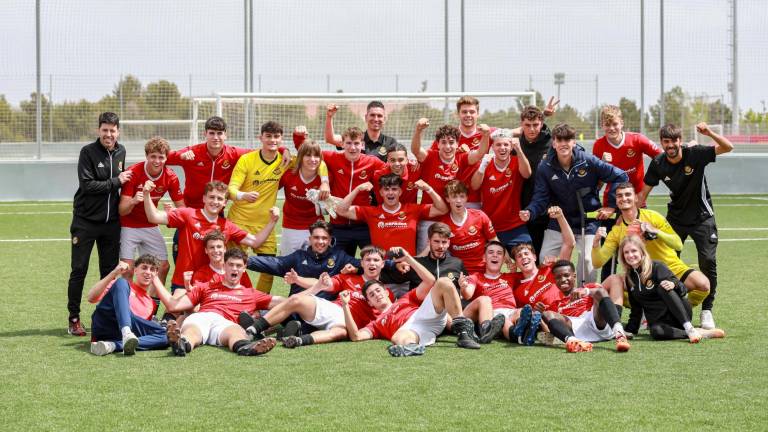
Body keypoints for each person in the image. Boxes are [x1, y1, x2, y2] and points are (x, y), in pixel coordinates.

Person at [242, 246, 434, 349]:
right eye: (367, 260)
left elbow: (383, 318)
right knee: (296, 300)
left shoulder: (386, 293)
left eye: (376, 260)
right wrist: (299, 279)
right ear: (362, 263)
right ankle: (254, 329)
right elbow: (324, 284)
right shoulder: (347, 277)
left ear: (383, 264)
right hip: (334, 310)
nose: (372, 263)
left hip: (349, 324)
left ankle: (299, 339)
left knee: (339, 334)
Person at [639, 122, 734, 330]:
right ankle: (659, 308)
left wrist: (708, 132)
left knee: (707, 261)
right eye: (666, 141)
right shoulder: (658, 164)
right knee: (663, 264)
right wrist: (634, 218)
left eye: (674, 140)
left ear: (680, 141)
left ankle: (707, 309)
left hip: (702, 218)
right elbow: (642, 195)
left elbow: (728, 147)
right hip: (675, 220)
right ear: (662, 143)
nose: (671, 145)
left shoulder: (695, 154)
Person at [520, 123, 628, 283]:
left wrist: (612, 205)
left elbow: (620, 176)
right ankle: (553, 297)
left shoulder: (588, 160)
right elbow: (540, 197)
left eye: (568, 139)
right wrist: (530, 211)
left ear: (574, 142)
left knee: (587, 260)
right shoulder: (545, 167)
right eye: (559, 140)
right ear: (554, 143)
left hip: (589, 221)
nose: (564, 143)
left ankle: (584, 299)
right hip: (559, 222)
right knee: (544, 259)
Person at [227, 121, 327, 293]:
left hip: (266, 224)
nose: (272, 140)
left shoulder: (286, 161)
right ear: (261, 138)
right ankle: (240, 299)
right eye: (268, 136)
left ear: (281, 139)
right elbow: (231, 190)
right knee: (236, 264)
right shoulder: (247, 160)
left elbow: (318, 162)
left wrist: (325, 183)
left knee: (269, 270)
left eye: (276, 137)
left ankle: (258, 303)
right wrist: (243, 195)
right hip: (239, 221)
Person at [143, 180, 279, 294]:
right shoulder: (187, 214)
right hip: (183, 281)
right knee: (179, 313)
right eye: (212, 197)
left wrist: (272, 221)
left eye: (220, 198)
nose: (215, 201)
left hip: (211, 284)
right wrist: (146, 194)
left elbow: (255, 242)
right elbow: (153, 217)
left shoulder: (227, 226)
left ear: (225, 203)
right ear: (204, 198)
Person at [592, 183, 710, 306]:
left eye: (628, 194)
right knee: (611, 288)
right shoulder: (617, 231)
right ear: (616, 201)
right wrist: (595, 244)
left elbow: (678, 245)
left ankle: (681, 310)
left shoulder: (653, 217)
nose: (624, 198)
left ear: (636, 198)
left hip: (670, 269)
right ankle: (647, 311)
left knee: (703, 284)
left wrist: (656, 231)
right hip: (640, 275)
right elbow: (598, 262)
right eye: (619, 196)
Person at [67, 112, 129, 336]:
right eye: (105, 130)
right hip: (85, 222)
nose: (109, 134)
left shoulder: (121, 151)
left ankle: (107, 317)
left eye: (113, 131)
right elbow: (87, 186)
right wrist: (116, 182)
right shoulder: (88, 152)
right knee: (79, 270)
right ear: (98, 131)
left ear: (118, 132)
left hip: (111, 225)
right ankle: (74, 318)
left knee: (109, 272)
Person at [155, 248, 284, 356]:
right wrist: (155, 278)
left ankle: (246, 347)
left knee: (235, 332)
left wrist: (301, 296)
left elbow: (282, 302)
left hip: (225, 323)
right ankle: (181, 344)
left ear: (244, 268)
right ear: (224, 266)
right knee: (192, 330)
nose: (234, 269)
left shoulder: (251, 293)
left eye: (239, 266)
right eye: (231, 265)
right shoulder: (205, 286)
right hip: (203, 316)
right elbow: (174, 305)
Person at [342, 275, 481, 357]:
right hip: (414, 331)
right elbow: (356, 336)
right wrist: (345, 305)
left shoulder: (405, 298)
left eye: (378, 290)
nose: (376, 295)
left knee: (443, 282)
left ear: (386, 291)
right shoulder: (376, 323)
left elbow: (429, 281)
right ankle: (412, 348)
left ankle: (464, 333)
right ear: (370, 302)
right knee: (397, 337)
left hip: (423, 316)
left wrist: (408, 258)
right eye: (371, 295)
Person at [619, 236, 725, 343]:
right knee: (656, 332)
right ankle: (699, 332)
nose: (630, 255)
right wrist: (629, 330)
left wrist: (673, 284)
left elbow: (682, 289)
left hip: (680, 313)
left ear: (642, 252)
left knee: (663, 286)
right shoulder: (629, 278)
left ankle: (689, 328)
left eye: (634, 251)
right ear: (623, 256)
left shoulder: (656, 267)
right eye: (626, 252)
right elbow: (636, 309)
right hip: (660, 322)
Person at [411, 120, 489, 252]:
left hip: (451, 220)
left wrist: (486, 135)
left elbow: (480, 153)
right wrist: (418, 130)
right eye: (443, 142)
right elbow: (416, 150)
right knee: (424, 260)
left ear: (457, 143)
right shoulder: (431, 156)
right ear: (438, 144)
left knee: (449, 261)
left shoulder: (462, 158)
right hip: (430, 220)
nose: (448, 146)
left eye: (451, 142)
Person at [118, 136, 184, 285]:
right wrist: (134, 201)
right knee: (127, 270)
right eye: (153, 156)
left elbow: (182, 208)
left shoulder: (171, 176)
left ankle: (152, 304)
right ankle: (128, 306)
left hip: (150, 224)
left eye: (161, 157)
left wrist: (173, 212)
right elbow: (122, 210)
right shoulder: (133, 172)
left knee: (163, 267)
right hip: (129, 226)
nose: (157, 161)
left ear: (167, 158)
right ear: (146, 156)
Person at [335, 173, 448, 255]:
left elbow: (442, 209)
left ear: (400, 192)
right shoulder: (371, 212)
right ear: (381, 192)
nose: (390, 193)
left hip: (409, 266)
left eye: (394, 189)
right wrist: (357, 189)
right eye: (386, 189)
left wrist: (429, 189)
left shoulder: (413, 209)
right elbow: (341, 210)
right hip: (382, 268)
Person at [245, 221, 360, 300]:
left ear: (330, 241)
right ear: (310, 239)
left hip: (324, 308)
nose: (320, 241)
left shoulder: (340, 257)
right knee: (287, 307)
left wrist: (356, 269)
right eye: (316, 237)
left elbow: (365, 265)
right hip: (297, 304)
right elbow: (274, 263)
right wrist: (246, 261)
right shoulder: (298, 257)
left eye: (324, 238)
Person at [320, 126, 386, 256]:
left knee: (375, 260)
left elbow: (392, 169)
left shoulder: (372, 162)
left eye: (356, 143)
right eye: (349, 143)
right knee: (335, 264)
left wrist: (411, 164)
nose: (353, 147)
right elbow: (308, 153)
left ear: (362, 145)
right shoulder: (332, 157)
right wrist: (324, 182)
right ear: (342, 144)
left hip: (363, 224)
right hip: (338, 225)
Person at [540, 260, 631, 353]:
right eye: (558, 277)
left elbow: (604, 298)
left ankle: (619, 333)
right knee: (547, 314)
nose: (563, 279)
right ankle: (573, 342)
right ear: (554, 280)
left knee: (600, 292)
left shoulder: (588, 288)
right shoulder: (555, 304)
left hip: (596, 321)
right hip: (576, 329)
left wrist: (587, 291)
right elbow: (548, 331)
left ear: (574, 276)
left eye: (566, 275)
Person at [87, 256, 168, 356]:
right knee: (122, 282)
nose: (148, 272)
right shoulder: (120, 285)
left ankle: (112, 346)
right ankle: (126, 332)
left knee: (166, 335)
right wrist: (114, 273)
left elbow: (138, 326)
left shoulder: (151, 303)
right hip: (105, 322)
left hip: (117, 335)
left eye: (152, 269)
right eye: (144, 267)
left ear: (155, 274)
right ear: (135, 270)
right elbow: (91, 298)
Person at [459, 241, 535, 345]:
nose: (495, 255)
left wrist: (546, 263)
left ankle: (520, 333)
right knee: (500, 317)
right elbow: (468, 294)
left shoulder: (511, 277)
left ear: (503, 260)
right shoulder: (476, 277)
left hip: (510, 311)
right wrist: (463, 287)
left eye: (499, 253)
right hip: (491, 314)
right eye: (491, 252)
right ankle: (488, 331)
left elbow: (532, 273)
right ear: (484, 258)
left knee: (522, 311)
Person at [427, 96, 496, 208]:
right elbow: (429, 159)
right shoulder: (449, 137)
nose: (468, 115)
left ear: (478, 114)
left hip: (475, 199)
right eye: (464, 112)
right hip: (450, 199)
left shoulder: (487, 132)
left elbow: (512, 133)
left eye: (472, 112)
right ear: (458, 114)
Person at [471, 128, 532, 250]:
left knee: (527, 256)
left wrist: (519, 150)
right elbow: (474, 186)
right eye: (498, 144)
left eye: (506, 144)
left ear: (511, 147)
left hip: (515, 226)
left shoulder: (516, 161)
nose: (502, 148)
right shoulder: (486, 164)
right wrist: (482, 166)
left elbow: (527, 174)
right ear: (493, 147)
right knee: (490, 263)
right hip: (490, 226)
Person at [592, 105, 661, 208]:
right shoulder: (598, 145)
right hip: (613, 201)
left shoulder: (638, 140)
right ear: (602, 125)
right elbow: (597, 183)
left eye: (615, 124)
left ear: (622, 123)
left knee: (641, 224)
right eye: (607, 124)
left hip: (637, 199)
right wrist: (602, 165)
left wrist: (648, 183)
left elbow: (662, 157)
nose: (611, 128)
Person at [514, 99, 559, 254]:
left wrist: (544, 115)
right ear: (521, 125)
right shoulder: (515, 144)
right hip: (524, 206)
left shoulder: (550, 140)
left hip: (548, 206)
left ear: (541, 124)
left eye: (536, 125)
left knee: (547, 256)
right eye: (527, 125)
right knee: (528, 253)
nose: (532, 129)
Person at [511, 206, 577, 311]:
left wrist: (560, 217)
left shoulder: (551, 269)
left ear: (534, 257)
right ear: (517, 264)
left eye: (526, 254)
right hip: (550, 322)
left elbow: (569, 244)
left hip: (572, 309)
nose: (523, 257)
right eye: (519, 256)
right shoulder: (518, 292)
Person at [386, 222, 467, 296]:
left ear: (448, 243)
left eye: (444, 242)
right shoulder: (416, 264)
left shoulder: (457, 263)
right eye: (436, 241)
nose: (440, 246)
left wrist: (463, 288)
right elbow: (383, 274)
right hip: (421, 309)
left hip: (449, 310)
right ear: (428, 241)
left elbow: (466, 294)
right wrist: (393, 262)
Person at [278, 138, 327, 256]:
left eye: (316, 156)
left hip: (316, 226)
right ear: (301, 157)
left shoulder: (325, 178)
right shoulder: (288, 174)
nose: (313, 160)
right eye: (308, 156)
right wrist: (283, 149)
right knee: (288, 266)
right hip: (291, 226)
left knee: (316, 267)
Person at [436, 181, 497, 275]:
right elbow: (434, 249)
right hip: (459, 272)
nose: (458, 200)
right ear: (447, 199)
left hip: (484, 269)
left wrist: (508, 261)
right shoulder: (443, 224)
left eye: (462, 196)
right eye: (454, 196)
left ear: (467, 198)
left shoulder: (479, 216)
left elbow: (494, 241)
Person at [324, 101, 398, 161]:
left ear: (384, 119)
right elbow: (330, 139)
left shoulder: (390, 142)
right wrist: (329, 117)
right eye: (372, 115)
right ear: (366, 117)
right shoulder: (356, 138)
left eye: (379, 116)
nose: (376, 119)